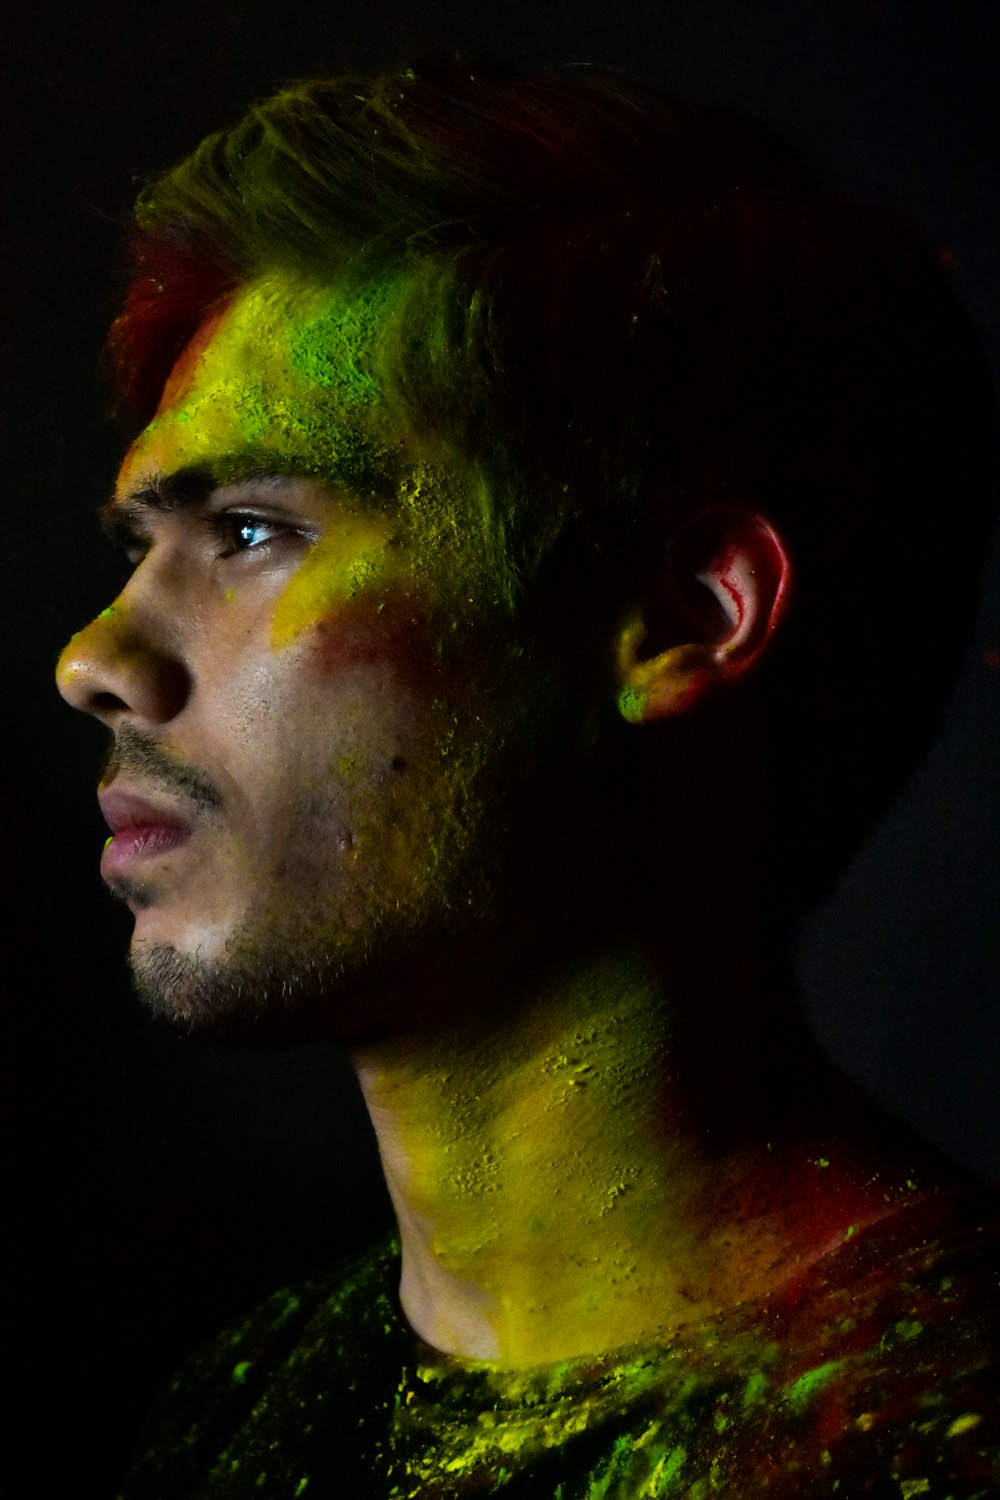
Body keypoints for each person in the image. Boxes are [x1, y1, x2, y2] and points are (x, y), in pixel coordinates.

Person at [56, 56, 999, 1499]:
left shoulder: (947, 1426)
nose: (93, 659)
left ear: (687, 620)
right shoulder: (229, 1421)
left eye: (250, 533)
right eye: (141, 547)